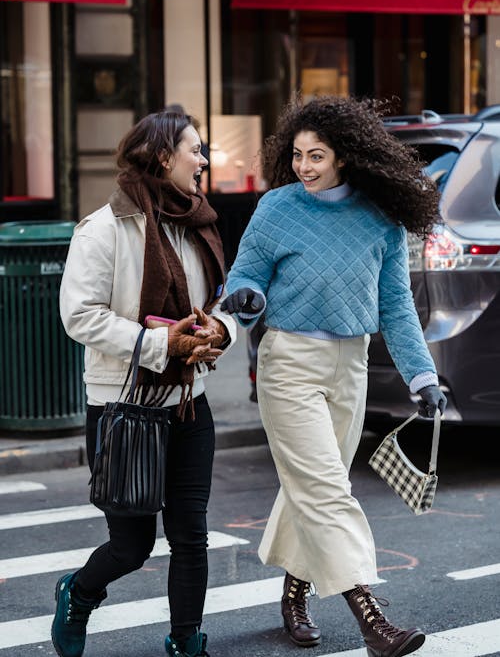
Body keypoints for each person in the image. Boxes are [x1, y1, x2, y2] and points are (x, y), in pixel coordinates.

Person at [221, 96, 447, 657]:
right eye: (297, 155)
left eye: (316, 156)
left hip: (350, 368)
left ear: (344, 157)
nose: (303, 167)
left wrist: (422, 377)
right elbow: (246, 274)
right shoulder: (276, 208)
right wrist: (244, 299)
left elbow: (396, 307)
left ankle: (294, 594)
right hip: (288, 364)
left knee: (312, 489)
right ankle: (372, 621)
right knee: (327, 490)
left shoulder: (380, 220)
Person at [52, 109, 236, 657]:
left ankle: (186, 642)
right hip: (123, 407)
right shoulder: (104, 227)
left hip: (187, 403)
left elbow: (218, 300)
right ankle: (78, 593)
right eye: (194, 150)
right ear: (163, 156)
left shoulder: (198, 223)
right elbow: (79, 315)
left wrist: (215, 331)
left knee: (190, 536)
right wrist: (163, 345)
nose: (203, 160)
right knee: (131, 545)